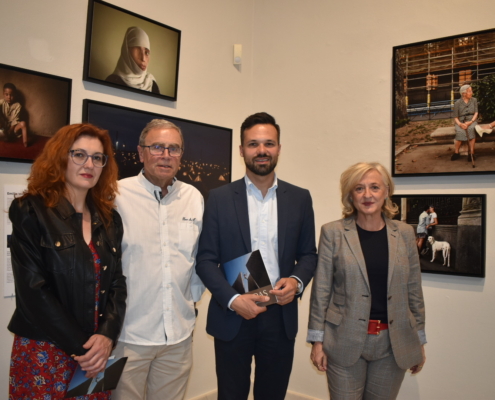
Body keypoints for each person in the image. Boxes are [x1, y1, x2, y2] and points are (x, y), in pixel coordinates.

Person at [196, 112, 318, 400]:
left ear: (278, 148)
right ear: (241, 150)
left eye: (268, 143)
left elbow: (308, 254)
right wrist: (234, 299)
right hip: (233, 313)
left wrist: (298, 282)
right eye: (253, 144)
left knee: (272, 394)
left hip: (279, 313)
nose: (261, 151)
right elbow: (205, 260)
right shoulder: (219, 198)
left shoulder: (300, 198)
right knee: (231, 394)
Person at [8, 123, 126, 399]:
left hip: (95, 351)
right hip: (46, 348)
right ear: (60, 156)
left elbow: (117, 282)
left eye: (98, 158)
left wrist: (107, 335)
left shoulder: (109, 219)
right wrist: (82, 347)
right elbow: (32, 290)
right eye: (79, 154)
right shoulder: (30, 209)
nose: (90, 164)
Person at [308, 162, 426, 400]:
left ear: (386, 192)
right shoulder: (333, 233)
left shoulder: (404, 234)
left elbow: (414, 290)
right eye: (359, 188)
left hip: (393, 345)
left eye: (374, 187)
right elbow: (321, 291)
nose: (367, 195)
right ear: (350, 195)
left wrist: (418, 340)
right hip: (343, 340)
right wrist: (317, 342)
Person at [112, 119, 204, 400]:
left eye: (174, 149)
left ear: (181, 155)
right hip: (128, 336)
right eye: (157, 147)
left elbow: (198, 258)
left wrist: (192, 302)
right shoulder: (115, 195)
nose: (166, 155)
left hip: (178, 336)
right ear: (141, 153)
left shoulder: (193, 197)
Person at [106, 26, 160, 93]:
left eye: (147, 53)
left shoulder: (152, 84)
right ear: (126, 51)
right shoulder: (112, 81)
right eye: (137, 50)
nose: (143, 58)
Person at [451, 84, 478, 161]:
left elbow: (476, 113)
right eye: (469, 91)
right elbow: (455, 117)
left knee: (471, 129)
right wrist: (460, 124)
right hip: (460, 121)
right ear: (464, 93)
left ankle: (471, 154)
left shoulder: (474, 100)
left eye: (471, 91)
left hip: (472, 120)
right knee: (460, 132)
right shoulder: (457, 103)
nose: (472, 92)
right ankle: (456, 153)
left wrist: (471, 122)